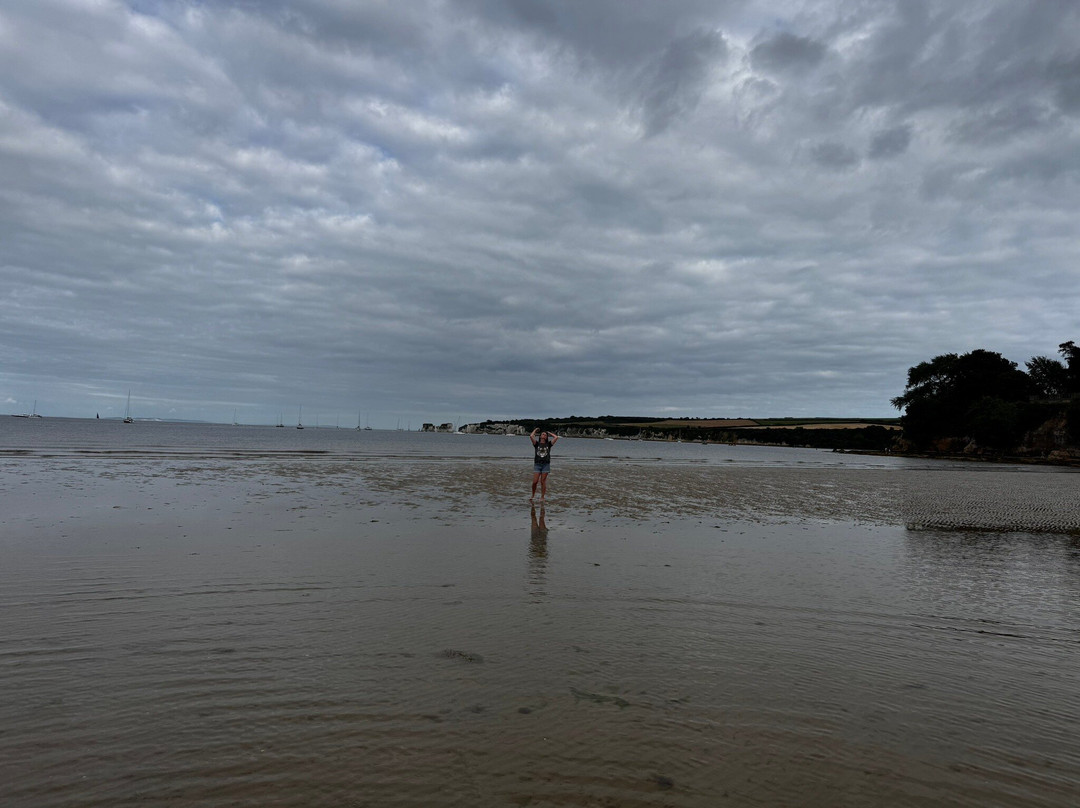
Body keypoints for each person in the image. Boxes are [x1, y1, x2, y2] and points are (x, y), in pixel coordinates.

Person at [529, 427, 559, 501]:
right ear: (540, 436)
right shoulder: (536, 444)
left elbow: (556, 437)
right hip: (537, 464)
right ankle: (533, 495)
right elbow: (531, 436)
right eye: (542, 434)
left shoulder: (549, 444)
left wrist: (549, 433)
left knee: (543, 481)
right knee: (535, 482)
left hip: (546, 464)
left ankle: (542, 497)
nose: (544, 435)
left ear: (546, 437)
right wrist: (535, 430)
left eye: (545, 435)